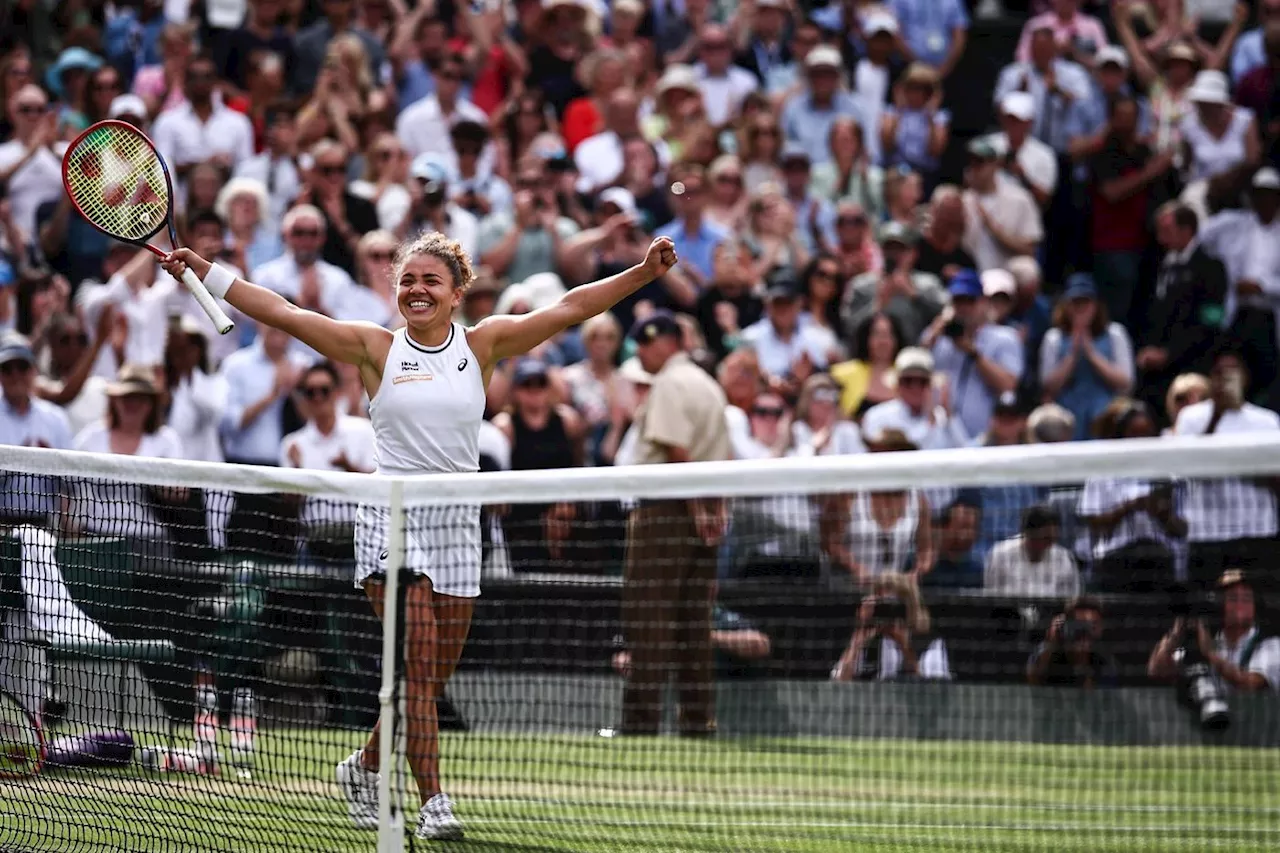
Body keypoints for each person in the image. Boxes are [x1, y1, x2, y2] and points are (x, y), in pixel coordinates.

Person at [161, 227, 679, 839]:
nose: (417, 289)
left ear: (457, 292)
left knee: (426, 678)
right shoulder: (373, 348)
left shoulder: (483, 345)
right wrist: (208, 272)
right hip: (391, 514)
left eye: (431, 280)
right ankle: (433, 801)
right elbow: (285, 311)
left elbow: (571, 307)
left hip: (459, 520)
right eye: (407, 280)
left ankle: (362, 766)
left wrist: (643, 273)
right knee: (417, 657)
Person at [613, 310, 731, 738]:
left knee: (649, 618)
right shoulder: (709, 384)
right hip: (707, 512)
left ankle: (640, 724)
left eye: (645, 344)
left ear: (664, 342)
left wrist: (697, 508)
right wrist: (714, 512)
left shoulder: (667, 383)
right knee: (693, 624)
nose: (641, 353)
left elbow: (678, 450)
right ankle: (698, 721)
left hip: (667, 511)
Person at [1148, 570, 1280, 693]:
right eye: (1233, 598)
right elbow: (1157, 671)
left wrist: (1211, 654)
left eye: (1247, 598)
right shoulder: (1206, 643)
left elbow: (1251, 684)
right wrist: (1174, 637)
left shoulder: (1270, 645)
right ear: (1220, 605)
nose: (1241, 603)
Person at [830, 573, 951, 682]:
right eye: (882, 605)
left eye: (892, 605)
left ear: (908, 606)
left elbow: (934, 692)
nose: (888, 612)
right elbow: (838, 683)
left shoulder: (929, 641)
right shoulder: (869, 639)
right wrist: (857, 638)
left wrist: (905, 648)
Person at [984, 505, 1079, 598]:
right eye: (1045, 538)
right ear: (1027, 533)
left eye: (1052, 539)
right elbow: (992, 595)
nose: (1049, 545)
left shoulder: (1063, 558)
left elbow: (1071, 598)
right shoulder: (1000, 554)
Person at [1026, 596, 1118, 689]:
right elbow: (1033, 684)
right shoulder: (1048, 649)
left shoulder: (1105, 658)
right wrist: (1052, 641)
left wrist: (1082, 663)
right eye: (1079, 625)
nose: (1085, 632)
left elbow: (1097, 699)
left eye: (1092, 626)